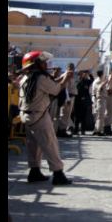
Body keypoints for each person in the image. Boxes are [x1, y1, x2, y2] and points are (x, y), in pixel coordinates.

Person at [18, 51, 73, 185]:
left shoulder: (26, 78)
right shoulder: (41, 78)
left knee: (34, 146)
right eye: (42, 61)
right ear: (36, 64)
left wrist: (62, 77)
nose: (45, 64)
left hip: (27, 116)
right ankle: (58, 174)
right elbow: (55, 89)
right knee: (50, 144)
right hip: (39, 116)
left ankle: (34, 172)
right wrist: (66, 78)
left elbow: (51, 85)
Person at [59, 63, 77, 136]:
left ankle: (64, 129)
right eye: (71, 67)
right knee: (64, 114)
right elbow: (65, 88)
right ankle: (61, 130)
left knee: (67, 114)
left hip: (72, 96)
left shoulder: (71, 75)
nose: (73, 69)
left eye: (73, 67)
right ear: (68, 68)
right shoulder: (66, 75)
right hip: (67, 97)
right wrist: (68, 98)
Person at [91, 70, 108, 136]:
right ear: (102, 74)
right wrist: (105, 82)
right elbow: (99, 88)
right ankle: (99, 131)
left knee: (98, 115)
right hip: (100, 99)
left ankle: (96, 129)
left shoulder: (99, 80)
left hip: (100, 99)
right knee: (100, 116)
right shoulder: (98, 81)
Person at [103, 68, 112, 136]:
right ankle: (107, 129)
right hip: (109, 98)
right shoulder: (110, 78)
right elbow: (109, 90)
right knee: (109, 113)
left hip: (111, 97)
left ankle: (108, 128)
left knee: (110, 113)